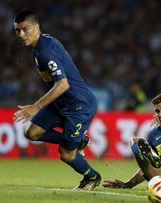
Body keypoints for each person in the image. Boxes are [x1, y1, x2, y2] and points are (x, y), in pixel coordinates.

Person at [13, 10, 101, 190]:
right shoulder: (42, 44)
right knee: (32, 133)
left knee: (67, 155)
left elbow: (63, 84)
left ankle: (92, 177)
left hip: (79, 106)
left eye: (25, 29)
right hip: (61, 103)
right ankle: (80, 142)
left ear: (37, 27)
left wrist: (36, 107)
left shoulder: (45, 51)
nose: (21, 34)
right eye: (17, 30)